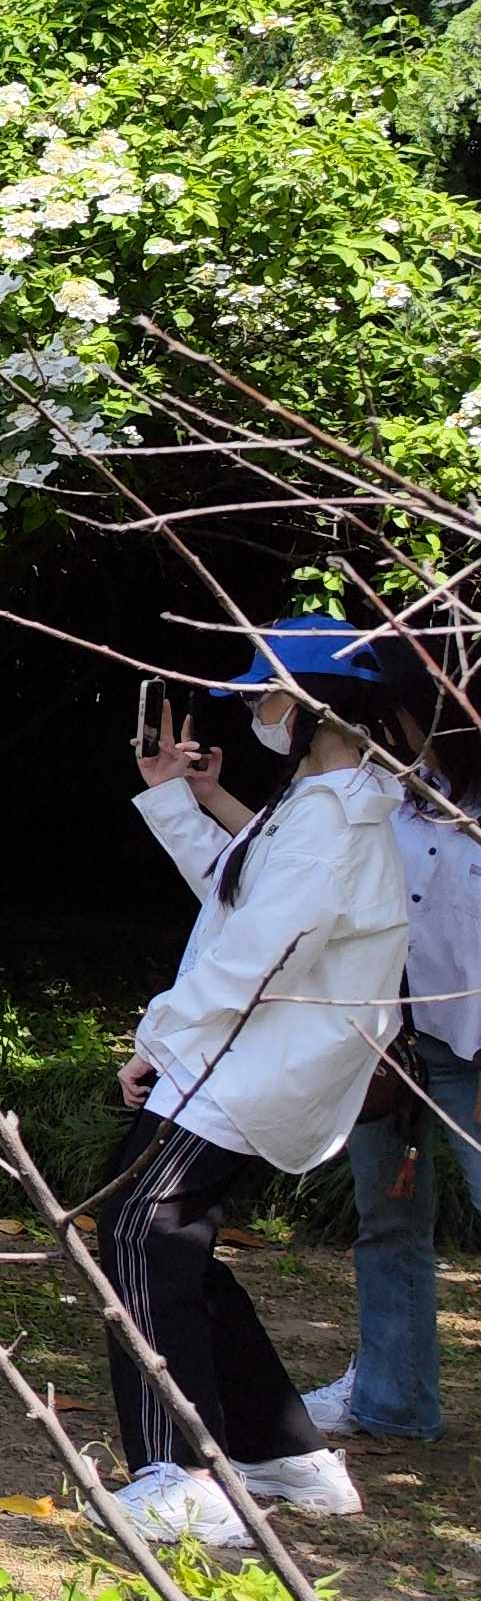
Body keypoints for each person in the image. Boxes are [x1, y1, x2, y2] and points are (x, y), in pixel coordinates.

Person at [105, 616, 413, 1543]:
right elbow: (237, 895)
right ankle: (284, 1451)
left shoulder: (331, 810)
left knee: (138, 1227)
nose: (256, 709)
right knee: (168, 1241)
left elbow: (261, 950)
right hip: (242, 1053)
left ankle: (186, 1475)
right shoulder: (324, 799)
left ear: (302, 699)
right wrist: (174, 800)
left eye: (265, 692)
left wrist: (160, 1032)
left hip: (242, 1059)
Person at [303, 679, 481, 1445]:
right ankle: (392, 1399)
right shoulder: (392, 798)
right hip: (393, 1049)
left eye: (412, 712)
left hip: (473, 1050)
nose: (399, 727)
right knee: (386, 1222)